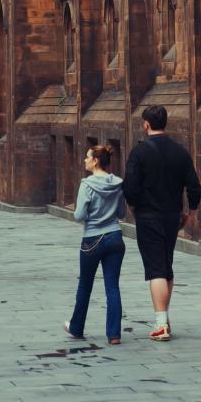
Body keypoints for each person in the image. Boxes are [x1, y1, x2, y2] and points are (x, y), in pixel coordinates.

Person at [123, 105, 201, 342]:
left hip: (148, 216)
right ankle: (164, 317)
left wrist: (134, 206)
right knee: (166, 266)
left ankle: (160, 325)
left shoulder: (139, 152)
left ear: (146, 124)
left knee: (155, 269)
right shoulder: (180, 152)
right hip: (172, 217)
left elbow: (130, 187)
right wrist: (191, 213)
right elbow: (195, 187)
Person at [65, 145, 126, 345]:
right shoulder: (118, 183)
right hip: (115, 236)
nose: (84, 160)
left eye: (87, 157)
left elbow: (79, 215)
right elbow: (121, 214)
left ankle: (76, 327)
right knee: (112, 286)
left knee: (85, 285)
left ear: (96, 161)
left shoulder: (87, 185)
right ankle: (114, 334)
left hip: (92, 239)